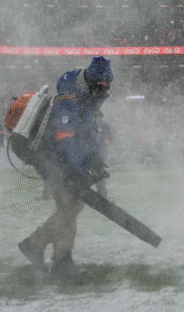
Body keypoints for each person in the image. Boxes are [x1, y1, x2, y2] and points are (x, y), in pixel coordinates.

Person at [18, 56, 113, 280]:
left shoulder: (86, 99)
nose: (106, 90)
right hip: (51, 159)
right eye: (103, 86)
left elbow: (87, 137)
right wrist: (80, 168)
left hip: (60, 160)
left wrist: (97, 162)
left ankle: (39, 247)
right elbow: (65, 138)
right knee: (70, 206)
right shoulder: (69, 100)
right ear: (92, 83)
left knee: (71, 207)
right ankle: (58, 260)